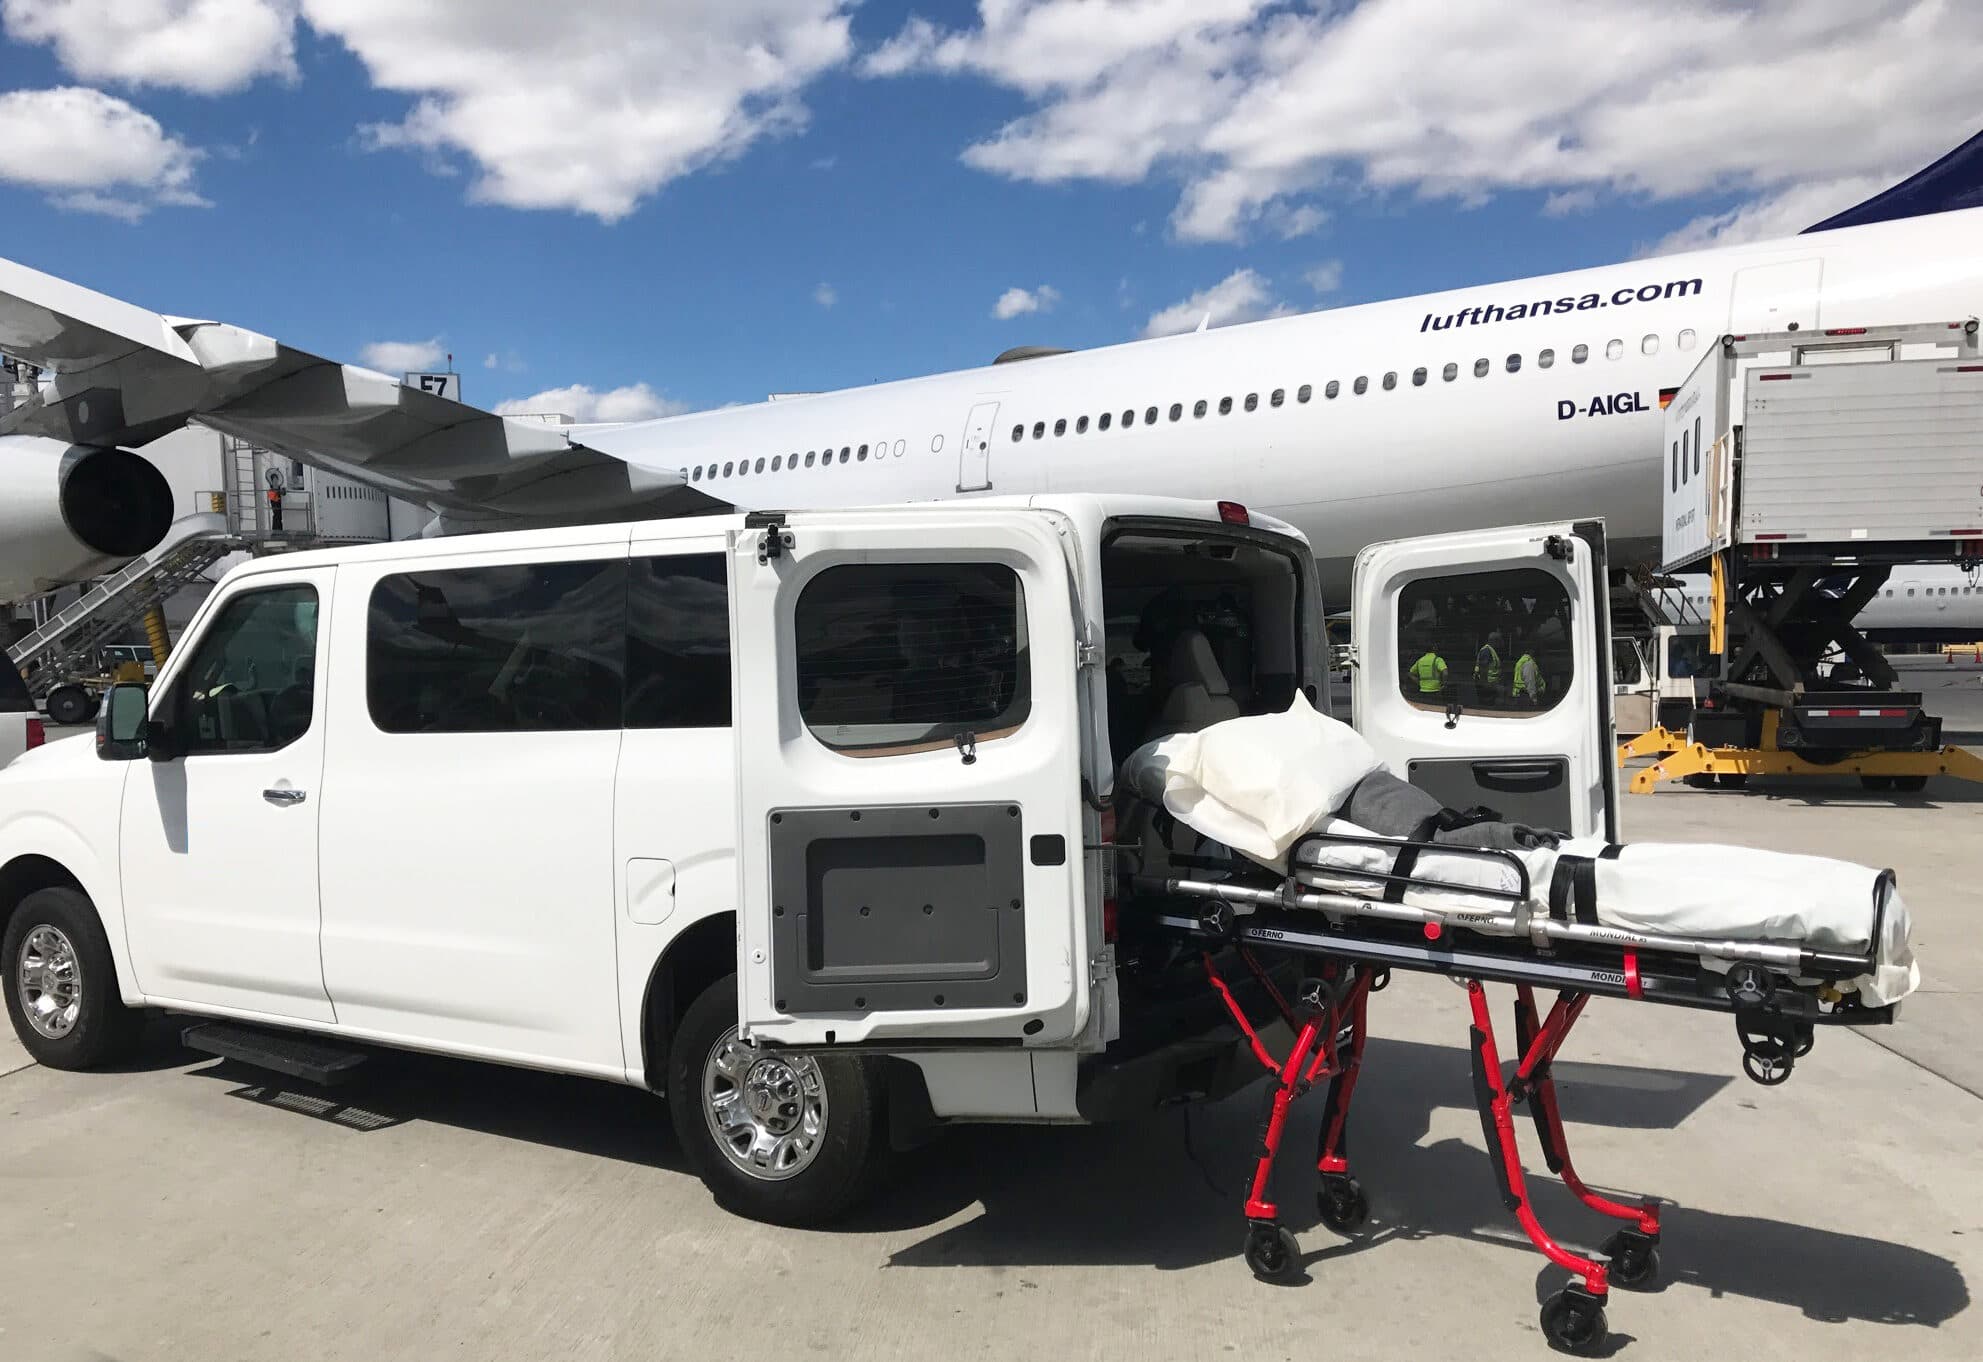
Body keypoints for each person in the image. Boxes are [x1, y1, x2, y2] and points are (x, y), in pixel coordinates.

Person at [1512, 643, 1546, 708]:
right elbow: (1530, 682)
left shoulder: (1522, 661)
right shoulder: (1529, 663)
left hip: (1522, 695)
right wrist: (1534, 699)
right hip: (1527, 697)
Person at [1474, 632, 1503, 705]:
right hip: (1487, 688)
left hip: (1491, 686)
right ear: (1494, 641)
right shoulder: (1486, 651)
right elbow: (1483, 669)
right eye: (1499, 641)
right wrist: (1487, 685)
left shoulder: (1491, 651)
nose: (1501, 643)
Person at [265, 466, 286, 535]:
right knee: (276, 517)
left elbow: (282, 493)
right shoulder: (271, 491)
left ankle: (279, 531)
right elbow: (274, 496)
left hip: (279, 505)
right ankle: (275, 531)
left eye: (276, 480)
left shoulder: (278, 490)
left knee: (279, 517)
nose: (275, 482)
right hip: (276, 506)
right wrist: (279, 492)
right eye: (274, 480)